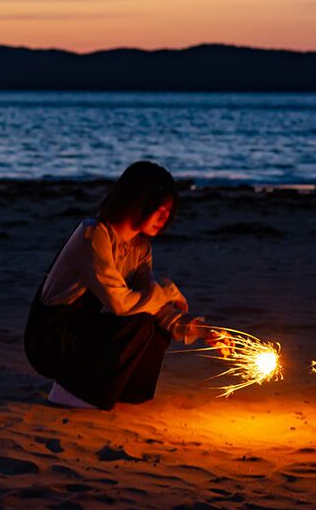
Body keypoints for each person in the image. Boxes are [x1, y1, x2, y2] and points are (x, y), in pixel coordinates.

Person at [24, 161, 209, 410]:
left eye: (168, 211)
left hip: (83, 328)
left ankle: (125, 391)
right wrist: (165, 292)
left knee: (150, 323)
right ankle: (70, 392)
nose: (164, 217)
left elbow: (151, 303)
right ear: (138, 200)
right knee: (136, 321)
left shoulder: (140, 247)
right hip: (52, 337)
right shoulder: (94, 234)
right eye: (159, 209)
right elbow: (119, 303)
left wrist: (200, 330)